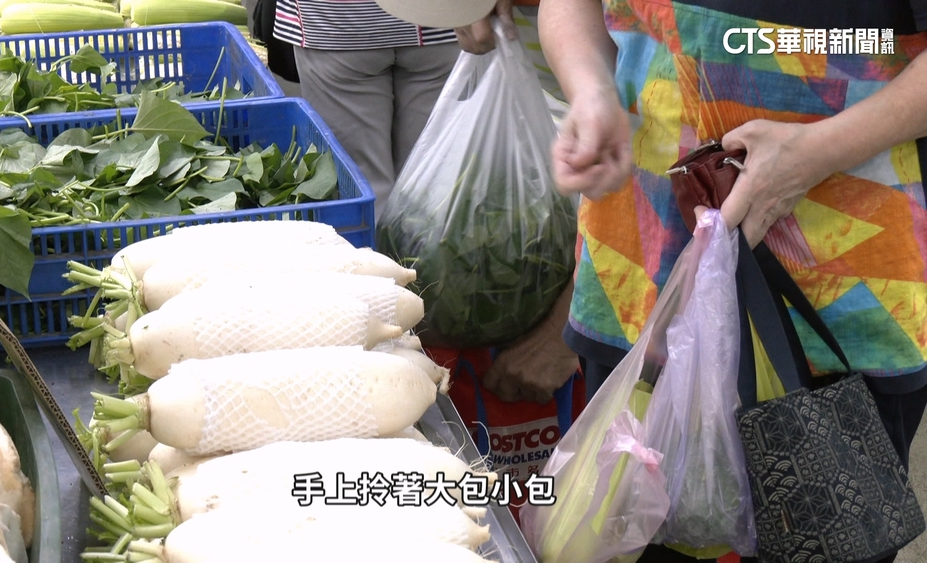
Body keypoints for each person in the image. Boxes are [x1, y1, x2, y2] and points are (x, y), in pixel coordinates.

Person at [381, 0, 927, 562]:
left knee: (822, 536)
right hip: (640, 271)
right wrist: (593, 91)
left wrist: (815, 154)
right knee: (632, 535)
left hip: (842, 302)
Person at [269, 1, 467, 222]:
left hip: (336, 24)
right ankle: (423, 252)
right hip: (442, 21)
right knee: (431, 180)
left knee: (360, 183)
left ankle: (376, 253)